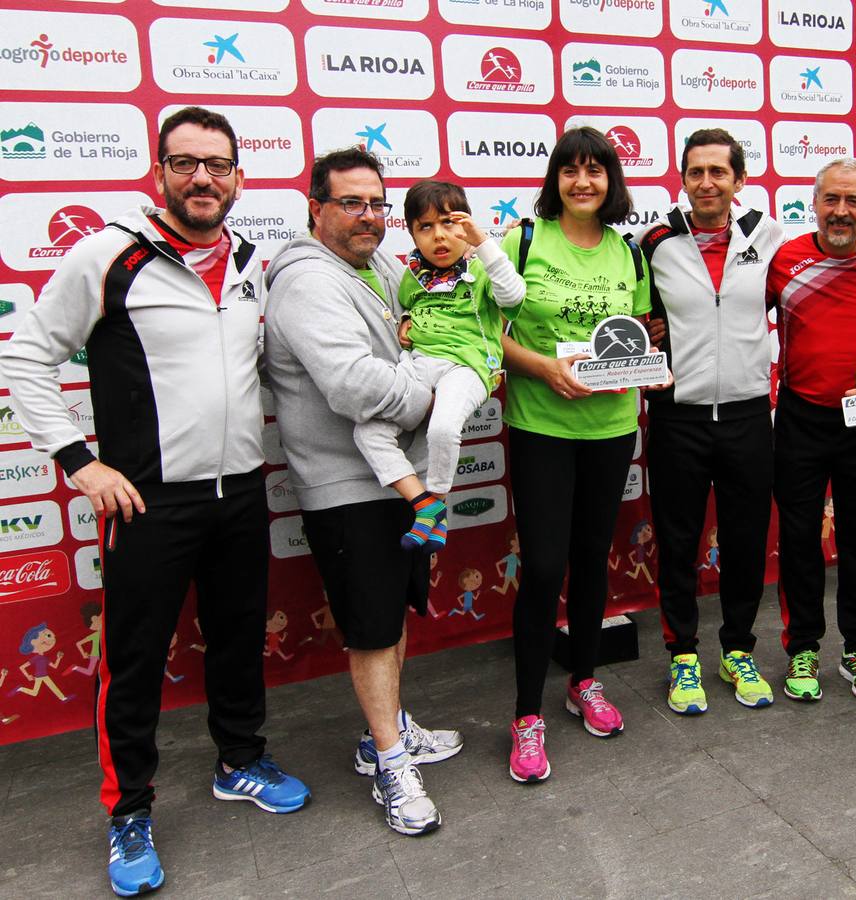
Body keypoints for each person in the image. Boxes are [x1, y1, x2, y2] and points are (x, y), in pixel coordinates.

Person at [0, 106, 310, 897]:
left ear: (239, 177)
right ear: (160, 171)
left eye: (217, 164)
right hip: (146, 502)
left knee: (238, 637)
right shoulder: (107, 255)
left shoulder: (248, 259)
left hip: (239, 491)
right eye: (185, 163)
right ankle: (128, 810)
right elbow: (27, 356)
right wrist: (79, 463)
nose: (202, 178)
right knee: (134, 662)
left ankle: (239, 761)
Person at [264, 147, 463, 837]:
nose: (369, 217)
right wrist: (441, 390)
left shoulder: (380, 263)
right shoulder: (306, 282)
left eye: (377, 204)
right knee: (373, 630)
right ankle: (388, 762)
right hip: (347, 487)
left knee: (392, 617)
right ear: (314, 207)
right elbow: (354, 386)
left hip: (392, 484)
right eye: (351, 203)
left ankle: (391, 728)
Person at [495, 127, 654, 783]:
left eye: (595, 170)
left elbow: (638, 334)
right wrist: (540, 367)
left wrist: (643, 366)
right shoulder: (521, 241)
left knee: (591, 560)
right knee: (543, 568)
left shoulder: (628, 253)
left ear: (610, 181)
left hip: (611, 427)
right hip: (540, 427)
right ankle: (526, 716)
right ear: (555, 179)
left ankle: (583, 680)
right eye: (570, 170)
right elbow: (483, 331)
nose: (583, 181)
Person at [635, 128, 784, 714]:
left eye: (718, 172)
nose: (706, 182)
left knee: (747, 540)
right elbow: (626, 314)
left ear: (739, 181)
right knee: (677, 540)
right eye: (695, 172)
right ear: (682, 178)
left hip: (748, 412)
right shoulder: (653, 242)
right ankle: (683, 655)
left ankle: (738, 649)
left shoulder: (768, 237)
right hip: (679, 416)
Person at [765, 158, 856, 702]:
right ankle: (802, 647)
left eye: (854, 202)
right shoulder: (785, 259)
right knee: (798, 541)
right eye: (831, 200)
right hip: (800, 416)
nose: (841, 212)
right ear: (814, 202)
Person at [351, 180, 525, 552]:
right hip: (419, 365)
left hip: (467, 368)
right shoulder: (410, 275)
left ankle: (438, 503)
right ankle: (423, 504)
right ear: (412, 233)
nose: (439, 236)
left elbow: (514, 298)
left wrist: (484, 244)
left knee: (444, 428)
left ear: (466, 225)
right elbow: (403, 312)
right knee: (366, 431)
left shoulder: (482, 270)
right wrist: (404, 322)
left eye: (449, 223)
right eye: (425, 227)